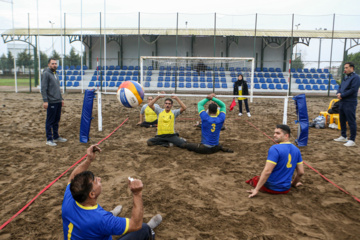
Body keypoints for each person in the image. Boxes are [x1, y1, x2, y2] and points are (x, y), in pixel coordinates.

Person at [62, 144, 162, 240]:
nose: (99, 178)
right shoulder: (101, 219)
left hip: (93, 224)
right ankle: (149, 230)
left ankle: (111, 215)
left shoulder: (71, 196)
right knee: (143, 229)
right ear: (91, 194)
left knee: (102, 222)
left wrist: (89, 160)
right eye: (96, 180)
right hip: (99, 221)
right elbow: (135, 225)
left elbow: (73, 177)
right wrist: (137, 194)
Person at [246, 125, 304, 198]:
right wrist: (293, 184)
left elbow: (267, 171)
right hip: (286, 189)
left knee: (255, 179)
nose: (274, 135)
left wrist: (256, 189)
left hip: (272, 188)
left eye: (278, 133)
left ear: (286, 135)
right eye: (274, 133)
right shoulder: (297, 150)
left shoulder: (275, 148)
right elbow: (301, 172)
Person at [41, 58, 67, 147]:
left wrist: (61, 98)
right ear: (49, 64)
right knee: (50, 121)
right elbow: (43, 88)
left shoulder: (55, 74)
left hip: (58, 101)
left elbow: (57, 89)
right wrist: (45, 101)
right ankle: (49, 139)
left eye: (55, 63)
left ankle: (56, 136)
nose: (54, 65)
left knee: (56, 120)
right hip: (51, 102)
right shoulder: (46, 74)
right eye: (52, 63)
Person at [333, 62, 360, 147]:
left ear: (352, 68)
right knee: (342, 119)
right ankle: (343, 136)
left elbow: (353, 89)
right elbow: (340, 87)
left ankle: (352, 140)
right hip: (342, 101)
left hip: (350, 102)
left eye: (346, 68)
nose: (345, 69)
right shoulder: (345, 77)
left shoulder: (356, 77)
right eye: (344, 68)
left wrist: (342, 95)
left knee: (351, 121)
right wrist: (338, 93)